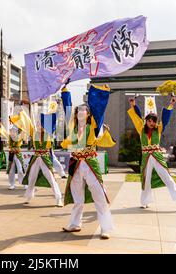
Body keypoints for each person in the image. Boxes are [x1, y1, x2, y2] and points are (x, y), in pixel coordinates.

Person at [60, 84, 116, 240]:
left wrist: (102, 92)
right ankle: (75, 223)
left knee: (99, 195)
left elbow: (99, 108)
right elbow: (67, 107)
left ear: (89, 114)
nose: (79, 112)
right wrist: (65, 91)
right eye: (78, 110)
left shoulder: (93, 126)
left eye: (83, 110)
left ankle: (105, 227)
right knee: (77, 197)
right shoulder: (73, 126)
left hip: (90, 163)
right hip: (76, 164)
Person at [127, 96, 176, 211]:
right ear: (146, 121)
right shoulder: (141, 129)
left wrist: (171, 104)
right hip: (145, 157)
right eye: (149, 121)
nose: (151, 123)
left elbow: (165, 118)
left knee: (168, 178)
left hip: (157, 156)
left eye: (153, 121)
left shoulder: (159, 129)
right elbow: (136, 117)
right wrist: (133, 105)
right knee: (146, 179)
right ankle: (144, 201)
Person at [11, 109, 63, 207]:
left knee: (51, 178)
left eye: (40, 125)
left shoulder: (49, 135)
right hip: (36, 158)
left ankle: (58, 198)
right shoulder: (34, 134)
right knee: (31, 178)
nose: (38, 126)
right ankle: (29, 196)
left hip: (45, 158)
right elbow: (26, 124)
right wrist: (22, 114)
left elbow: (51, 130)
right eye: (38, 124)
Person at [0, 121, 26, 190]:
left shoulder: (19, 137)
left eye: (13, 131)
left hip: (18, 154)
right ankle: (12, 184)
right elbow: (3, 132)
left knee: (20, 170)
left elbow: (23, 132)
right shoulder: (9, 137)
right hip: (11, 155)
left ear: (16, 132)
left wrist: (22, 126)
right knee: (11, 170)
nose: (12, 132)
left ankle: (24, 183)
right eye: (11, 131)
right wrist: (1, 125)